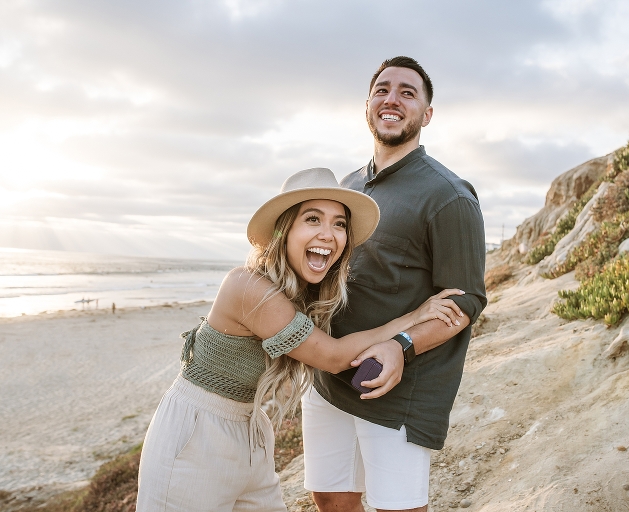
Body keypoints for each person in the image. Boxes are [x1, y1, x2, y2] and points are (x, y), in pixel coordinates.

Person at [136, 167, 465, 512]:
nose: (328, 234)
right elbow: (335, 356)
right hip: (197, 432)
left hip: (251, 432)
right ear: (284, 231)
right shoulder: (247, 287)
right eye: (313, 219)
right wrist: (413, 318)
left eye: (339, 224)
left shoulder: (303, 296)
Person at [303, 57, 488, 512]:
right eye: (382, 89)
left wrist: (401, 345)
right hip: (329, 375)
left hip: (393, 383)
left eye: (408, 92)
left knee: (397, 508)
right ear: (368, 106)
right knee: (330, 496)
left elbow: (466, 300)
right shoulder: (348, 188)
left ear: (426, 114)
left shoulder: (448, 196)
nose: (392, 98)